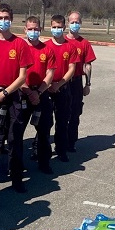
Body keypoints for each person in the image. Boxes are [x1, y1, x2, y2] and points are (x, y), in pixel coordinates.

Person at [0, 4, 33, 192]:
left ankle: (16, 177)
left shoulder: (19, 45)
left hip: (12, 96)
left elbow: (22, 77)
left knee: (14, 138)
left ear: (11, 19)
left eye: (5, 18)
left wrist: (4, 93)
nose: (2, 21)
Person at [20, 16, 55, 174]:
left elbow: (50, 74)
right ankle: (16, 166)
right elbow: (16, 74)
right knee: (17, 132)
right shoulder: (19, 47)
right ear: (25, 30)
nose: (33, 32)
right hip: (22, 94)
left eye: (36, 29)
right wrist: (28, 91)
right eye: (30, 29)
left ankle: (44, 162)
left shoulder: (47, 49)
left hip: (41, 94)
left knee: (44, 131)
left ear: (40, 30)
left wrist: (38, 92)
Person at [45, 14, 79, 162]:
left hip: (63, 88)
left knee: (62, 121)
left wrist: (59, 84)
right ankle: (39, 149)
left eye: (59, 27)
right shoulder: (45, 46)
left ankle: (61, 149)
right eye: (54, 27)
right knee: (44, 123)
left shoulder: (70, 47)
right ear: (50, 27)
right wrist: (48, 85)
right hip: (46, 88)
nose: (57, 29)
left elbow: (72, 69)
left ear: (64, 27)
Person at [66, 10, 96, 152]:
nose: (74, 24)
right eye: (72, 22)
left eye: (77, 22)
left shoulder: (84, 43)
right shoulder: (62, 41)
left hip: (76, 82)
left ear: (81, 23)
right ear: (67, 23)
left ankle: (71, 142)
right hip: (61, 83)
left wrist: (87, 84)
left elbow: (88, 65)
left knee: (75, 113)